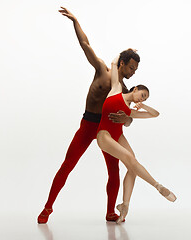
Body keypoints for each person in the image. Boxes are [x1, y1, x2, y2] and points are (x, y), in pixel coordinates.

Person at [38, 7, 140, 224]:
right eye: (131, 67)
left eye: (135, 70)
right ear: (122, 63)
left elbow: (131, 117)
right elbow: (86, 45)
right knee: (67, 165)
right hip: (87, 125)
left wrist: (127, 120)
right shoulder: (102, 70)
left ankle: (110, 211)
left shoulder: (123, 90)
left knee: (114, 170)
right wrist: (75, 21)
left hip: (107, 129)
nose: (133, 72)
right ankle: (47, 208)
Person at [96, 56, 177, 224]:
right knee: (130, 159)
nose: (142, 99)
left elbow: (155, 114)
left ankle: (124, 206)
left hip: (118, 136)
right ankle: (157, 186)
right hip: (104, 134)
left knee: (132, 167)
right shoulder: (116, 89)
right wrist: (127, 52)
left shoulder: (130, 112)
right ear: (134, 89)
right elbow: (113, 63)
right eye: (142, 95)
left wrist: (144, 107)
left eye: (145, 98)